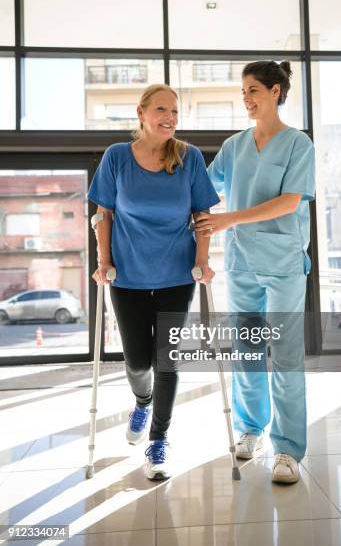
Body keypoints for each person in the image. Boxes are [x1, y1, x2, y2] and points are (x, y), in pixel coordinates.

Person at [87, 84, 219, 480]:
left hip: (178, 276)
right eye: (162, 109)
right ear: (141, 113)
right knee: (137, 361)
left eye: (175, 112)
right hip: (127, 277)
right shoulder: (116, 158)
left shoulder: (189, 158)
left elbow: (202, 216)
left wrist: (202, 262)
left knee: (167, 360)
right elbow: (103, 214)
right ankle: (142, 402)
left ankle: (158, 442)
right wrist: (103, 261)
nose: (170, 118)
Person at [195, 61, 315, 484]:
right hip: (242, 261)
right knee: (246, 351)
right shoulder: (234, 146)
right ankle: (251, 430)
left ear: (277, 91)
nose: (246, 99)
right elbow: (203, 190)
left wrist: (229, 220)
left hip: (283, 262)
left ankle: (288, 450)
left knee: (283, 355)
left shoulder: (298, 144)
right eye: (243, 91)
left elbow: (289, 203)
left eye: (254, 91)